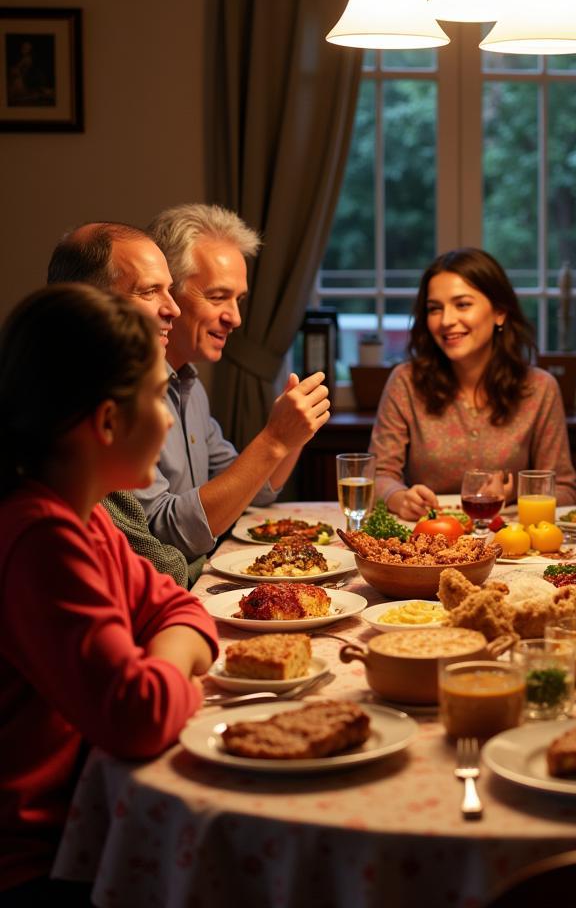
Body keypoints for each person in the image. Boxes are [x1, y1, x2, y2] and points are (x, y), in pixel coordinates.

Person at [0, 285, 217, 905]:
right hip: (40, 857)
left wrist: (157, 664)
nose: (171, 416)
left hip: (87, 822)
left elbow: (182, 607)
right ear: (106, 420)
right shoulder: (42, 537)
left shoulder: (85, 519)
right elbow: (138, 715)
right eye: (156, 395)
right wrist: (180, 680)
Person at [139, 204, 331, 560]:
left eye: (238, 300)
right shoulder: (128, 393)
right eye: (217, 297)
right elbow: (166, 535)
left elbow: (255, 490)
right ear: (168, 294)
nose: (236, 318)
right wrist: (274, 439)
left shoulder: (190, 386)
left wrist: (295, 435)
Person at [46, 221, 202, 587]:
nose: (174, 309)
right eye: (150, 291)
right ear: (90, 304)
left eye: (170, 290)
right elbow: (162, 569)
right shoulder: (74, 441)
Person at [370, 248, 576, 519]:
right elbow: (378, 475)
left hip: (508, 543)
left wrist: (515, 494)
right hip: (427, 540)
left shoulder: (539, 388)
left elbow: (566, 490)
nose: (446, 321)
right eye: (435, 309)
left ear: (500, 311)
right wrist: (399, 498)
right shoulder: (405, 382)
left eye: (463, 304)